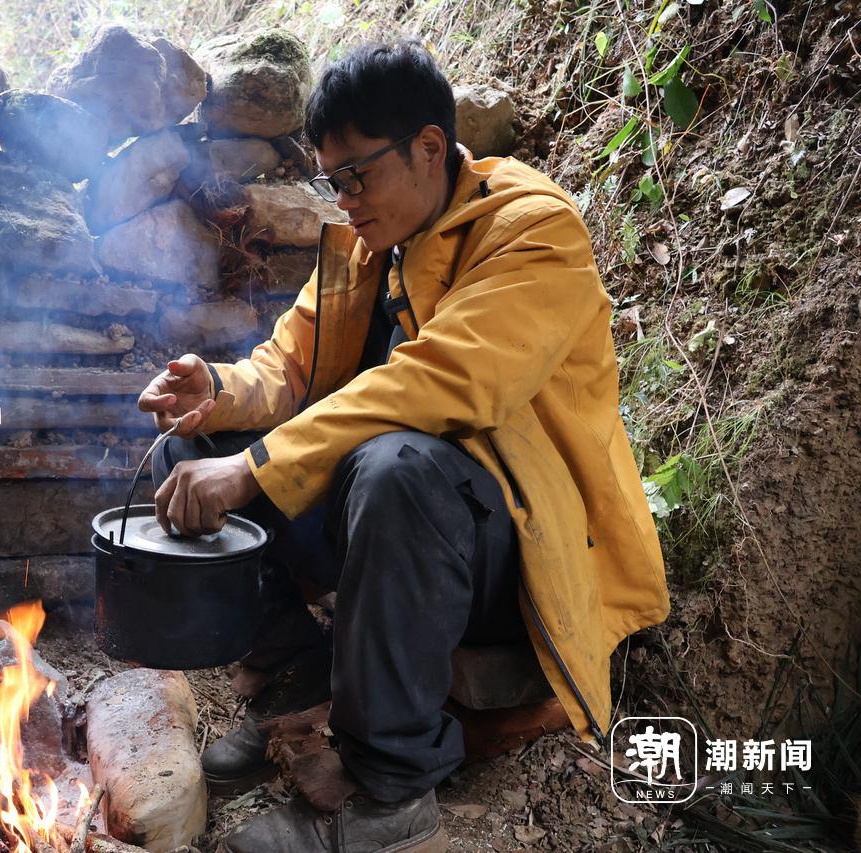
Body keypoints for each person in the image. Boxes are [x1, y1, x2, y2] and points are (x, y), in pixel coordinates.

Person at [138, 40, 670, 852]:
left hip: (516, 541)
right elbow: (289, 362)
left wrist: (256, 469)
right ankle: (298, 687)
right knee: (193, 451)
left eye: (357, 176)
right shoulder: (368, 238)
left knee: (398, 465)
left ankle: (390, 794)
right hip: (391, 513)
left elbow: (438, 383)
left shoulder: (534, 231)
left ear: (429, 147)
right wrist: (216, 392)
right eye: (332, 180)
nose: (344, 200)